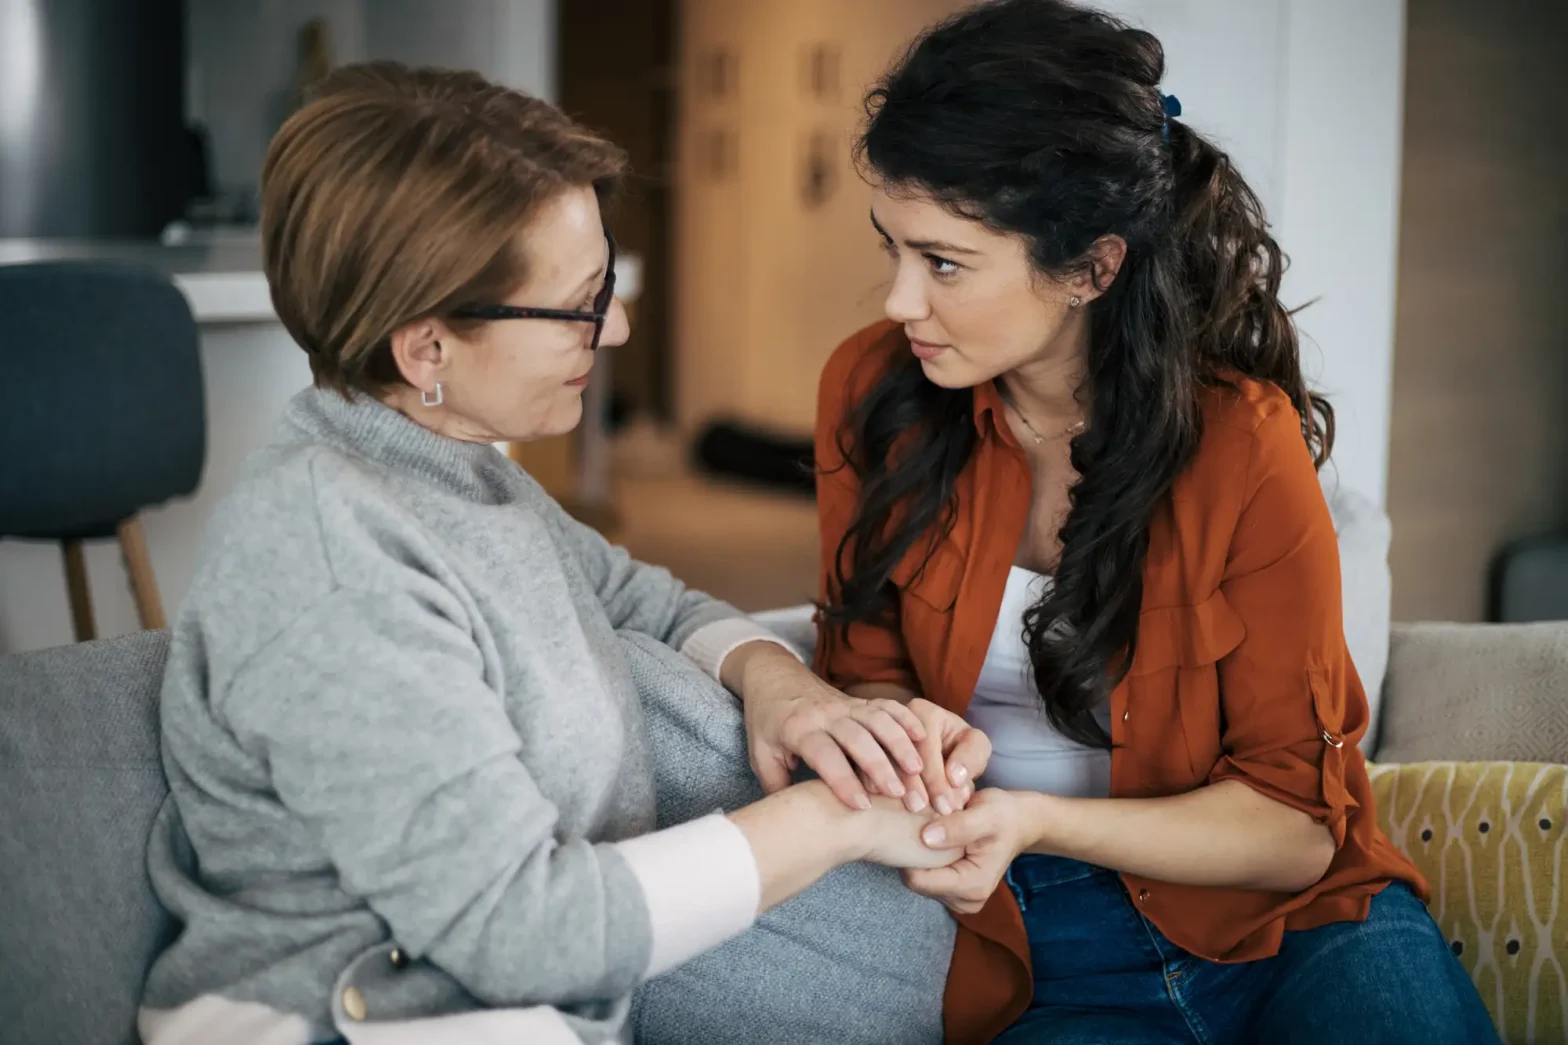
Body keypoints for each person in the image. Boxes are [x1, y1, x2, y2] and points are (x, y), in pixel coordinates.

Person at [138, 62, 975, 1045]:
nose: (615, 325)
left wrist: (781, 686)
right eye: (581, 303)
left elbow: (646, 600)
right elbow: (519, 932)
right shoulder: (329, 556)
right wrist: (837, 824)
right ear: (427, 351)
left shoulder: (459, 476)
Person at [812, 2, 1499, 1043]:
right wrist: (896, 733)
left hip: (1297, 930)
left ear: (1091, 267)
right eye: (893, 249)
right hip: (1023, 935)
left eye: (944, 262)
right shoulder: (872, 391)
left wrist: (1039, 817)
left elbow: (1294, 832)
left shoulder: (1241, 443)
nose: (900, 299)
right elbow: (860, 665)